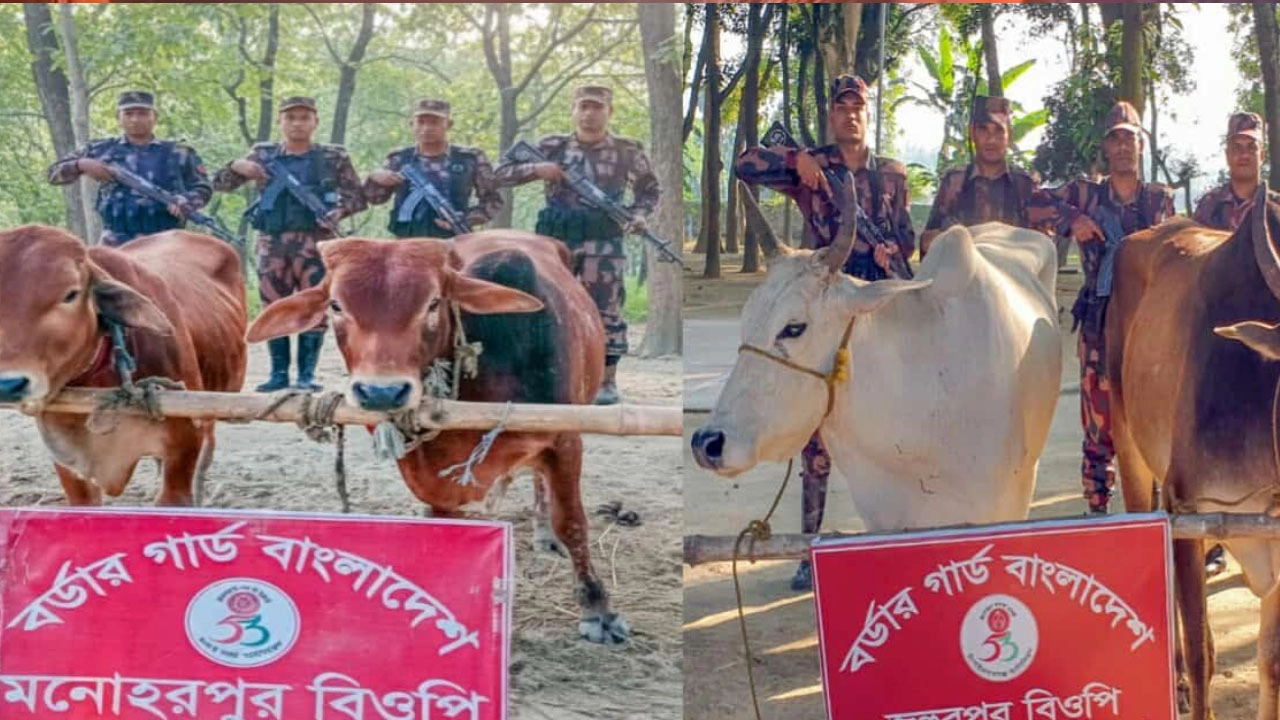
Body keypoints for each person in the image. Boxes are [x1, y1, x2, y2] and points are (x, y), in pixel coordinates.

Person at [733, 74, 915, 591]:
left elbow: (905, 237)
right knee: (817, 438)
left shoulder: (892, 173)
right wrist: (797, 162)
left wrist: (893, 253)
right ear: (831, 115)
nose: (850, 115)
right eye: (841, 107)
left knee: (888, 428)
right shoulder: (812, 166)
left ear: (867, 114)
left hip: (875, 316)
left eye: (858, 107)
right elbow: (745, 164)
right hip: (822, 311)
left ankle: (894, 543)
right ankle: (807, 553)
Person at [494, 85, 660, 406]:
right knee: (542, 302)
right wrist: (536, 169)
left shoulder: (627, 151)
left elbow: (650, 190)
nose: (589, 113)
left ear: (609, 112)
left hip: (603, 242)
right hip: (554, 244)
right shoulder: (552, 147)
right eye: (583, 106)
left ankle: (606, 381)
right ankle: (541, 375)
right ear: (573, 110)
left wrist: (639, 215)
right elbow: (499, 172)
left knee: (606, 309)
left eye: (597, 107)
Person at [212, 96, 366, 393]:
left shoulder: (332, 157)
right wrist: (236, 166)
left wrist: (339, 212)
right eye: (290, 117)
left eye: (304, 117)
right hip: (273, 243)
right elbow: (221, 184)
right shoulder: (263, 154)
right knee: (274, 305)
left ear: (315, 122)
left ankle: (307, 375)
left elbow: (358, 197)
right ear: (280, 122)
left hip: (317, 242)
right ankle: (278, 374)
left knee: (315, 305)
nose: (297, 123)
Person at [48, 90, 212, 247]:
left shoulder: (179, 152)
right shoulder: (100, 149)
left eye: (143, 113)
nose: (135, 119)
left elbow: (203, 188)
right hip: (115, 240)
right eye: (128, 113)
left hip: (166, 238)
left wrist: (185, 200)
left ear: (155, 117)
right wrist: (80, 164)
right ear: (118, 118)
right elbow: (53, 174)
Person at [364, 99, 502, 238]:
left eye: (434, 122)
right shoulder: (399, 158)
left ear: (448, 125)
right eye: (421, 122)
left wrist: (465, 219)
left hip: (455, 239)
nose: (427, 128)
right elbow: (375, 199)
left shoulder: (470, 158)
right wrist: (374, 178)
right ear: (412, 124)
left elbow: (493, 200)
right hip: (407, 241)